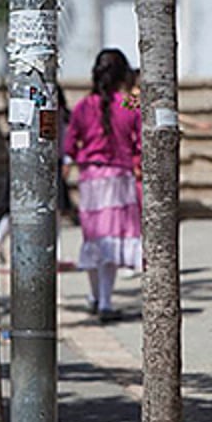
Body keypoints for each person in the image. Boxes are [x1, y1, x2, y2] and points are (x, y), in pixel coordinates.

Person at [63, 48, 143, 322]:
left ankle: (96, 296)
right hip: (120, 179)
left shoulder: (84, 106)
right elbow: (141, 141)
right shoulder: (129, 104)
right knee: (111, 240)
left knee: (94, 240)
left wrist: (66, 165)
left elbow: (70, 144)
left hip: (91, 179)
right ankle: (106, 301)